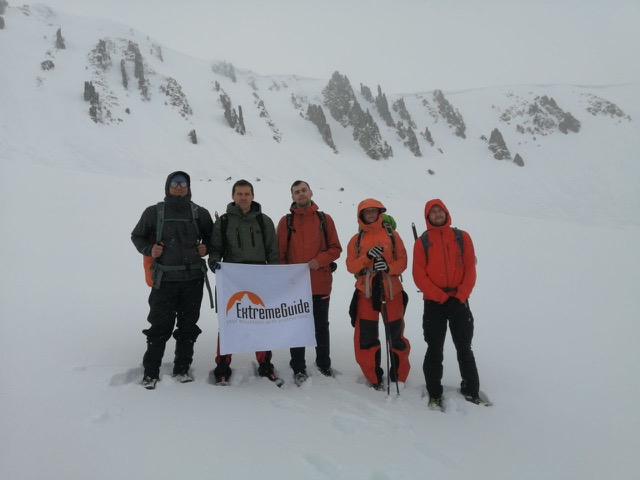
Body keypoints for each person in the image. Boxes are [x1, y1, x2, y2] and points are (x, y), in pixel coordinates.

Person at [131, 171, 213, 389]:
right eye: (175, 183)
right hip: (165, 279)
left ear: (189, 187)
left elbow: (213, 238)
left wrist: (206, 247)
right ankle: (150, 373)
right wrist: (149, 249)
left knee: (188, 327)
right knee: (159, 327)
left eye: (183, 183)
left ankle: (182, 369)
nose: (179, 187)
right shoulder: (153, 212)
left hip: (193, 279)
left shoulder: (200, 213)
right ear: (168, 187)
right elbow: (137, 236)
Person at [412, 199, 482, 409]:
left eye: (439, 210)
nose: (437, 214)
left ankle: (471, 391)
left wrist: (460, 296)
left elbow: (470, 269)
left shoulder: (462, 237)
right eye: (432, 212)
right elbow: (419, 276)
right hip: (434, 303)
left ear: (446, 213)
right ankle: (434, 393)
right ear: (427, 217)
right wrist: (441, 297)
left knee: (464, 348)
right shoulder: (422, 242)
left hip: (459, 301)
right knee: (434, 349)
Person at [208, 179, 279, 384]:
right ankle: (223, 365)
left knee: (261, 321)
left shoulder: (264, 221)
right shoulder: (223, 221)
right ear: (233, 196)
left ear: (253, 196)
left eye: (247, 194)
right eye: (239, 194)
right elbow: (215, 248)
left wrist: (274, 275)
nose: (243, 197)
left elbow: (273, 251)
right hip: (232, 280)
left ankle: (265, 364)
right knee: (229, 322)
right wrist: (214, 261)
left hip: (259, 277)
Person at [276, 180, 342, 384]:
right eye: (297, 192)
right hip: (295, 286)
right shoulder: (286, 222)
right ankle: (298, 367)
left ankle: (324, 364)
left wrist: (320, 259)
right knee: (297, 326)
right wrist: (286, 278)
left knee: (321, 326)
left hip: (320, 282)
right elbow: (280, 255)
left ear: (311, 192)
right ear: (292, 197)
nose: (301, 194)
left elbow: (336, 248)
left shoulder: (325, 219)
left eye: (304, 190)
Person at [345, 199, 411, 390]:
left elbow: (403, 261)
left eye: (374, 211)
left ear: (379, 213)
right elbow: (351, 266)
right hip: (366, 291)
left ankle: (399, 375)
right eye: (367, 212)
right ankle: (373, 376)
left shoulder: (392, 235)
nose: (371, 214)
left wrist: (388, 267)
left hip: (392, 291)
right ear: (361, 215)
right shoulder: (356, 240)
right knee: (366, 336)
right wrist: (367, 257)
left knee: (396, 335)